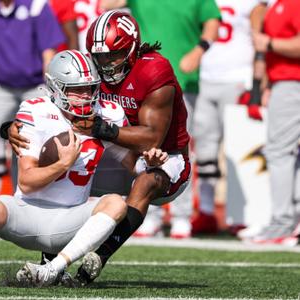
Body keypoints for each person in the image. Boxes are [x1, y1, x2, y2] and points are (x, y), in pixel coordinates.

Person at [0, 50, 167, 287]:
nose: (85, 96)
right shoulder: (36, 111)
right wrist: (63, 164)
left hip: (71, 220)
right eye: (76, 90)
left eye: (89, 88)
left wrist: (149, 163)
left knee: (115, 202)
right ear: (56, 88)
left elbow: (132, 164)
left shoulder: (106, 114)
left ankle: (52, 269)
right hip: (29, 214)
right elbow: (26, 182)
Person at [6, 11, 191, 285]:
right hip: (118, 148)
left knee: (145, 181)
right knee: (70, 162)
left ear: (131, 49)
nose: (105, 64)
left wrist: (101, 129)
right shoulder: (91, 70)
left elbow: (152, 139)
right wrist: (11, 127)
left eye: (113, 56)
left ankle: (98, 258)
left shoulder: (154, 70)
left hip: (164, 157)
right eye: (99, 56)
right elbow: (52, 107)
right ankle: (50, 257)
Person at [101, 0, 220, 238]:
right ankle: (149, 215)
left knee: (179, 148)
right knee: (142, 146)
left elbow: (212, 23)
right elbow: (106, 5)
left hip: (180, 80)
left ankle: (181, 217)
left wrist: (199, 50)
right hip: (138, 77)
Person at [0, 0, 65, 227]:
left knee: (28, 143)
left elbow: (49, 55)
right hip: (0, 85)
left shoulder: (37, 6)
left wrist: (49, 96)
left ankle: (25, 206)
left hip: (34, 85)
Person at [191, 0, 260, 235]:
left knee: (238, 149)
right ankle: (207, 210)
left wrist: (256, 83)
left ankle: (240, 213)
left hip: (238, 78)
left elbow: (258, 35)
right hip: (205, 77)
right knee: (205, 148)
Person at [247, 0, 300, 245]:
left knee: (279, 152)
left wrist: (269, 43)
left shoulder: (292, 4)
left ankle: (282, 222)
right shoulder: (277, 4)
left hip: (293, 83)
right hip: (284, 83)